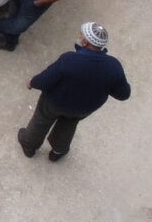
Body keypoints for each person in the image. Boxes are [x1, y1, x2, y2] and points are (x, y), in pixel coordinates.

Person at [19, 23, 131, 161]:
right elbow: (123, 94)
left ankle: (29, 145)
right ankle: (58, 151)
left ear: (85, 42)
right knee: (68, 125)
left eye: (80, 35)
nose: (78, 37)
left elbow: (46, 79)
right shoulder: (113, 66)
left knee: (41, 121)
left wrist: (33, 82)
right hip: (84, 108)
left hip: (54, 102)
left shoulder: (70, 59)